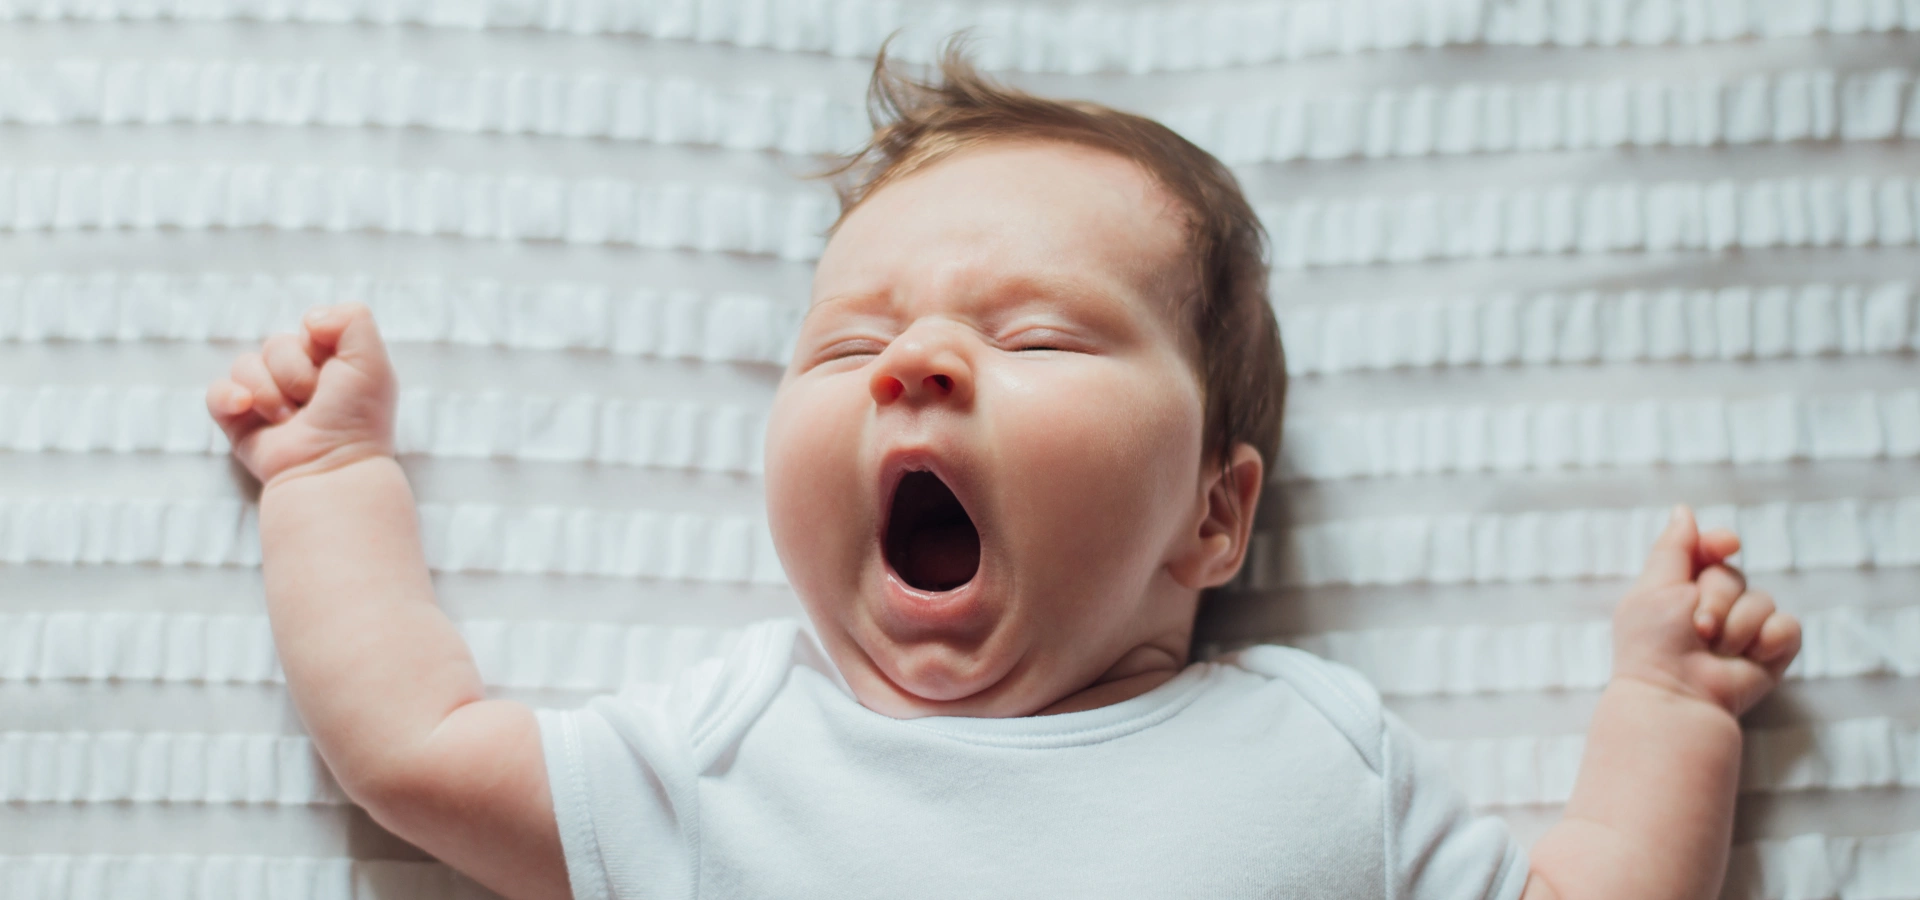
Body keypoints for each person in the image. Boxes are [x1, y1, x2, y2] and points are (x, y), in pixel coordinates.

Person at [205, 39, 1801, 900]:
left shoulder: (1318, 762)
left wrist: (1666, 721)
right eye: (848, 347)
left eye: (1037, 337)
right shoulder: (733, 759)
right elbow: (417, 749)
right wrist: (333, 481)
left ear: (1213, 513)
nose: (919, 361)